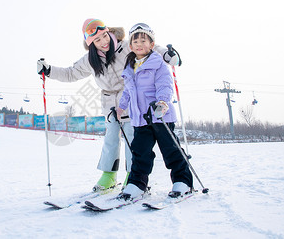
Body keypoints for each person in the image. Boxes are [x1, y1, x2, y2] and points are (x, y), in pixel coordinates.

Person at [37, 19, 180, 192]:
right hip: (110, 103)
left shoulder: (125, 46)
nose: (104, 42)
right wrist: (49, 70)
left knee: (133, 138)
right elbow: (71, 73)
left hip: (131, 96)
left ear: (109, 32)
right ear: (91, 44)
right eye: (97, 40)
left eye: (104, 35)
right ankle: (109, 175)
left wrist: (167, 55)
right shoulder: (91, 60)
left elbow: (151, 48)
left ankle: (133, 176)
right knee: (111, 138)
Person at [116, 23, 193, 201]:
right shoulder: (129, 68)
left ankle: (183, 182)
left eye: (144, 40)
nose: (139, 44)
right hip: (140, 119)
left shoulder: (158, 64)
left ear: (152, 45)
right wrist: (121, 107)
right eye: (135, 40)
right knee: (140, 152)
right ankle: (137, 184)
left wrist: (162, 102)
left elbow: (165, 85)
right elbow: (128, 91)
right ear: (130, 46)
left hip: (159, 115)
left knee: (170, 149)